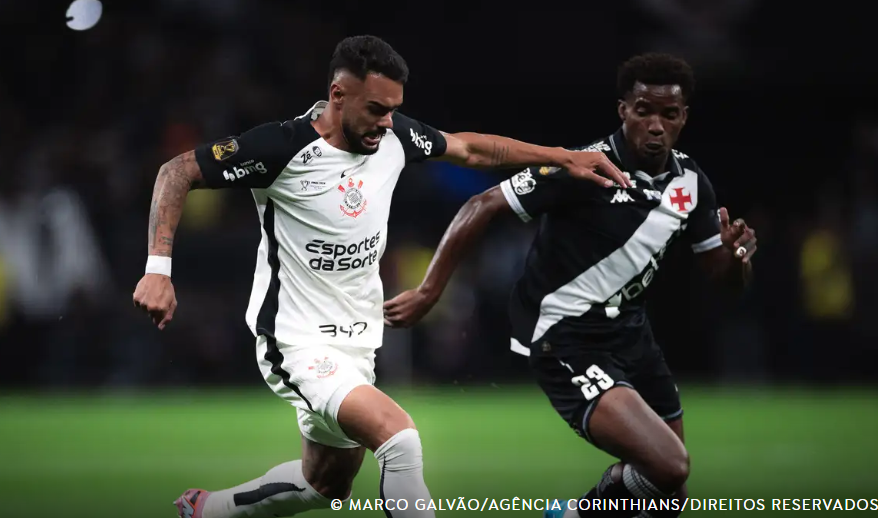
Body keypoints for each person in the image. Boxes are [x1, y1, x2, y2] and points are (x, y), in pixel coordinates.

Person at [132, 35, 627, 518]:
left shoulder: (392, 136)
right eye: (375, 109)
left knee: (325, 481)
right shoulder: (281, 147)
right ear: (337, 95)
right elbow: (176, 173)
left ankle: (206, 509)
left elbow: (473, 150)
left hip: (356, 341)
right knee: (399, 437)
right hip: (296, 340)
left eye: (393, 109)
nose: (386, 122)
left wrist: (564, 157)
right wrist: (159, 269)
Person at [383, 53, 757, 517]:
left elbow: (723, 279)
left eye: (669, 114)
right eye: (644, 111)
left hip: (633, 337)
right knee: (671, 467)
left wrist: (737, 257)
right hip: (566, 338)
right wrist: (428, 291)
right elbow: (482, 204)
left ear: (684, 118)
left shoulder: (692, 184)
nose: (656, 125)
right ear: (624, 110)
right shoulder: (584, 168)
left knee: (667, 496)